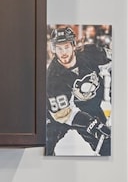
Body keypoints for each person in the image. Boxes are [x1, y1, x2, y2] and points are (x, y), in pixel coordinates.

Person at [46, 26, 112, 156]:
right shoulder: (52, 76)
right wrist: (91, 124)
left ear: (73, 45)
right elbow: (63, 114)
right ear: (54, 49)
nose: (63, 52)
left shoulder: (91, 53)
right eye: (59, 48)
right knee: (44, 147)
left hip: (91, 109)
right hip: (58, 117)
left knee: (109, 147)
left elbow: (119, 62)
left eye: (66, 47)